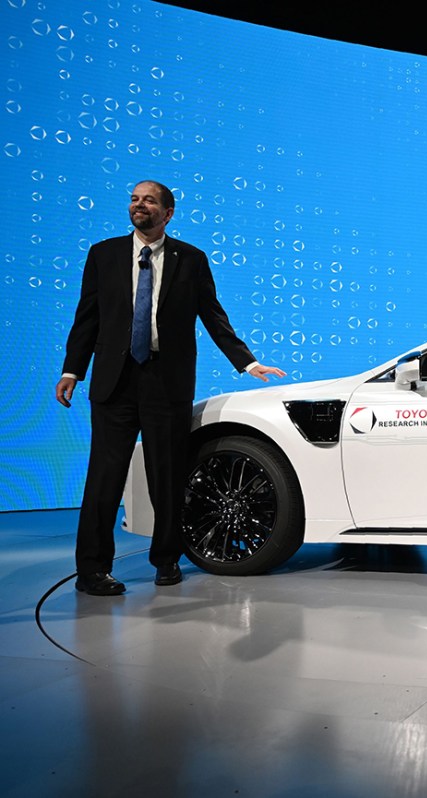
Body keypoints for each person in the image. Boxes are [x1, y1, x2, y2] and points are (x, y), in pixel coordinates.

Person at [56, 180, 286, 596]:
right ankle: (92, 570)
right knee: (104, 479)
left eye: (148, 200)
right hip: (115, 381)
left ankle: (166, 561)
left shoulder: (191, 259)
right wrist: (73, 370)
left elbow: (213, 316)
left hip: (166, 381)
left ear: (167, 212)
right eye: (133, 199)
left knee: (167, 477)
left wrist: (247, 361)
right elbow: (86, 317)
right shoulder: (103, 254)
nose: (138, 205)